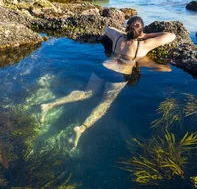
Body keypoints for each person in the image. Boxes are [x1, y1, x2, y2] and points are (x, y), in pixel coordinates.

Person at [41, 16, 176, 149]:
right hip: (119, 75)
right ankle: (81, 128)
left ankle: (49, 105)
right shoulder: (143, 44)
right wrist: (146, 35)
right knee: (105, 102)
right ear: (141, 32)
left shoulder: (118, 37)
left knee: (86, 93)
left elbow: (107, 29)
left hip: (103, 67)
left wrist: (124, 32)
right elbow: (171, 36)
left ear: (126, 27)